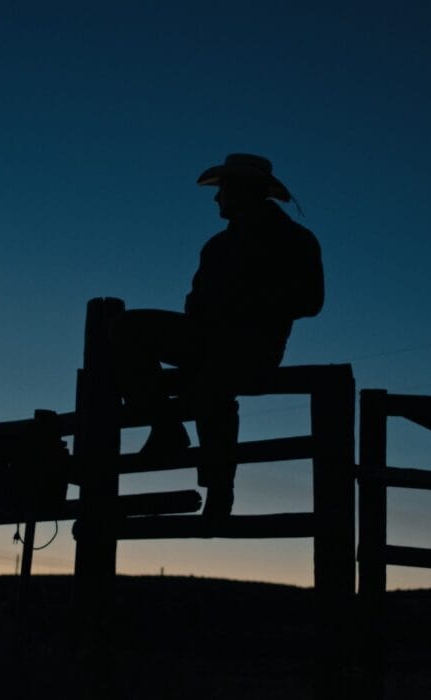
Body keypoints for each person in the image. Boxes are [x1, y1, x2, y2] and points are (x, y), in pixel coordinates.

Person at [111, 154, 324, 517]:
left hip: (254, 347)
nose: (216, 198)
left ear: (244, 191)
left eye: (223, 190)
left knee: (214, 378)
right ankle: (169, 431)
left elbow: (310, 300)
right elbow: (196, 302)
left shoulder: (294, 240)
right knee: (122, 329)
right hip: (211, 338)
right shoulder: (217, 247)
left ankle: (214, 482)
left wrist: (246, 304)